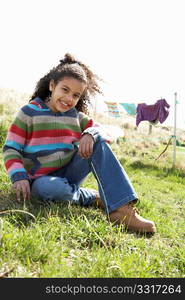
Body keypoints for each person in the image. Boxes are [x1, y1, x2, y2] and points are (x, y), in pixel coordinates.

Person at [3, 53, 156, 234]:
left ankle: (120, 209)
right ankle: (91, 197)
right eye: (65, 90)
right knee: (48, 188)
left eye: (76, 95)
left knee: (98, 140)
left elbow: (110, 131)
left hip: (71, 173)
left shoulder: (75, 116)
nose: (69, 99)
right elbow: (11, 148)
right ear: (52, 86)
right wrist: (19, 176)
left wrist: (90, 134)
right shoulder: (29, 112)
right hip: (41, 181)